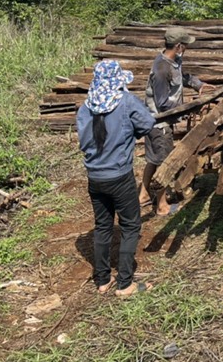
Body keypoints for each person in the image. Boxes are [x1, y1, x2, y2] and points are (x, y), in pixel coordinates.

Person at [76, 59, 154, 298]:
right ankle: (125, 283)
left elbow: (83, 143)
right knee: (131, 225)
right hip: (119, 176)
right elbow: (148, 123)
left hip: (95, 178)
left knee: (103, 225)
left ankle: (102, 279)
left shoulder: (85, 108)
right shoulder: (126, 102)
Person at [139, 27, 203, 216]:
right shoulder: (161, 69)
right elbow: (162, 103)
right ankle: (162, 205)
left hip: (159, 122)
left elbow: (180, 77)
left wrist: (197, 84)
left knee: (153, 159)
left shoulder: (173, 61)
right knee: (163, 164)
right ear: (179, 46)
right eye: (186, 45)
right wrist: (188, 110)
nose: (187, 48)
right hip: (159, 124)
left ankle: (143, 195)